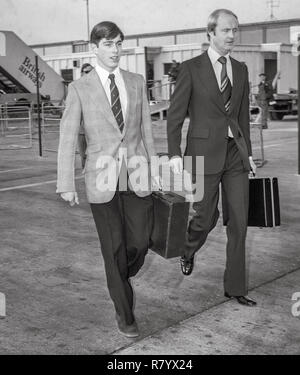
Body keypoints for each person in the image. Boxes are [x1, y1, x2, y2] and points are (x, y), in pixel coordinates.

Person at [56, 21, 158, 337]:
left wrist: (154, 172)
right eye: (108, 44)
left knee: (141, 240)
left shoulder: (137, 82)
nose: (115, 50)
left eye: (118, 44)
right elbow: (68, 137)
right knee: (113, 247)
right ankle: (125, 314)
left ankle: (119, 275)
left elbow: (147, 132)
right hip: (101, 178)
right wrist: (66, 183)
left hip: (136, 173)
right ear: (95, 48)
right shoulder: (79, 88)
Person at [167, 9, 257, 307]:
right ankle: (188, 250)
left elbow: (242, 116)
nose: (232, 36)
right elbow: (175, 117)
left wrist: (249, 154)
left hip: (234, 155)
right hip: (201, 156)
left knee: (240, 222)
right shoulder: (191, 68)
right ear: (211, 33)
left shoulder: (241, 69)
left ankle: (236, 287)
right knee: (205, 218)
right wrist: (173, 154)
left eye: (235, 30)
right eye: (226, 30)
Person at [78, 63, 94, 168]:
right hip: (82, 131)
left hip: (96, 130)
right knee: (84, 156)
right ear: (82, 73)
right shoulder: (77, 89)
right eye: (87, 72)